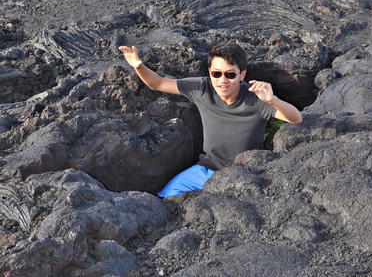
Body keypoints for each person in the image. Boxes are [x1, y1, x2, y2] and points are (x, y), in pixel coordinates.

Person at [119, 40, 302, 197]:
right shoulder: (202, 88)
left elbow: (295, 118)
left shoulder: (256, 99)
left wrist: (272, 100)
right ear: (209, 72)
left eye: (230, 74)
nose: (223, 80)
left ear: (242, 75)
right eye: (217, 73)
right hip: (206, 168)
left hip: (245, 173)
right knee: (165, 198)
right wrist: (137, 65)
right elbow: (158, 83)